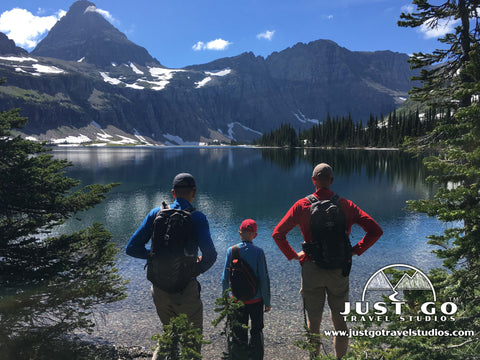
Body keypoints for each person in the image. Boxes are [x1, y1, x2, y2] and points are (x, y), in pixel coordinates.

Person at [272, 163, 383, 359]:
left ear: (313, 181)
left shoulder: (302, 205)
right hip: (339, 269)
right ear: (331, 181)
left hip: (311, 268)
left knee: (313, 322)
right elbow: (375, 231)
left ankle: (314, 358)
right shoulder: (346, 205)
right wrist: (355, 250)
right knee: (340, 321)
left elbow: (278, 234)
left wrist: (293, 255)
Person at [125, 173, 217, 340]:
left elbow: (131, 248)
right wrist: (191, 269)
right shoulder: (197, 217)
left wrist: (155, 257)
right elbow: (210, 255)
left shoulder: (155, 214)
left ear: (173, 193)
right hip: (186, 290)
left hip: (159, 289)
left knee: (168, 338)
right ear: (194, 192)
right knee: (192, 342)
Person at [222, 219, 271, 360]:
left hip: (236, 300)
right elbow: (263, 278)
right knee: (256, 331)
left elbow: (225, 278)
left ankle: (238, 357)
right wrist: (267, 302)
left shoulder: (231, 251)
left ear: (240, 233)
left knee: (238, 332)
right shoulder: (259, 252)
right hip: (256, 301)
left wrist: (225, 299)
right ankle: (256, 357)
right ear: (254, 235)